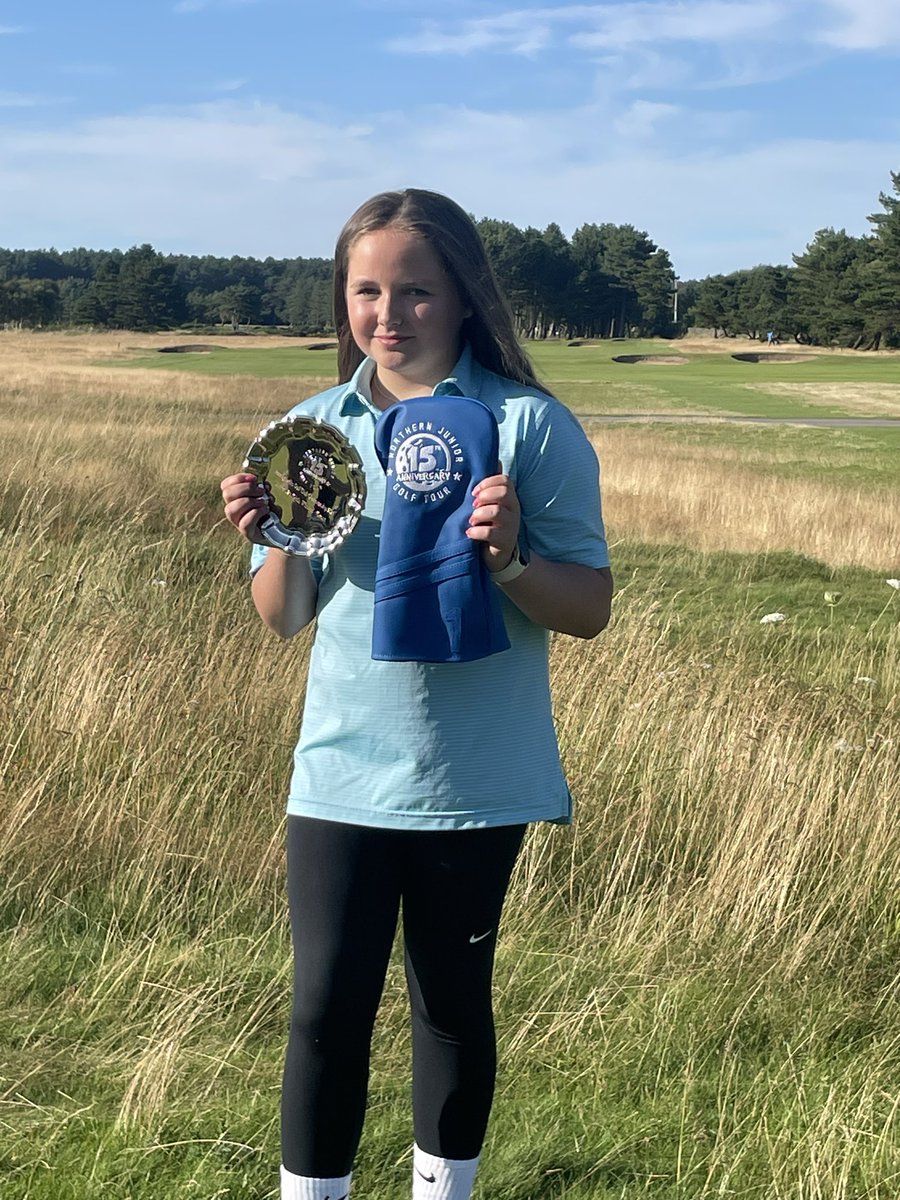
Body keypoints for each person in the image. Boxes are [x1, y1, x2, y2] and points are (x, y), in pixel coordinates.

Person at [220, 189, 613, 1200]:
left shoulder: (528, 426)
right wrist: (269, 536)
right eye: (366, 291)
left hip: (476, 778)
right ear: (343, 298)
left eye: (415, 292)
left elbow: (590, 607)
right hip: (342, 767)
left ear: (465, 299)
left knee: (449, 1008)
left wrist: (513, 561)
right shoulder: (314, 431)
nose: (387, 315)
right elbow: (283, 615)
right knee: (321, 1010)